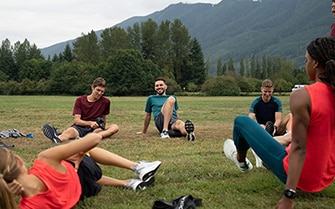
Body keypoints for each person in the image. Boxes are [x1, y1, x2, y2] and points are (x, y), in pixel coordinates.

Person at [223, 37, 335, 209]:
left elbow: (300, 148)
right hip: (326, 177)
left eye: (306, 61)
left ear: (315, 64)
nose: (305, 65)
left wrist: (288, 196)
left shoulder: (303, 95)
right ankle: (264, 156)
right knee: (284, 141)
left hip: (300, 176)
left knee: (241, 122)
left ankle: (241, 161)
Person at [1, 133, 161, 209]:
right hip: (84, 169)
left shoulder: (28, 205)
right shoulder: (44, 159)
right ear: (18, 161)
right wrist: (80, 153)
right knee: (82, 152)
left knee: (80, 173)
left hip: (83, 192)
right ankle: (137, 166)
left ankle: (128, 183)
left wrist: (16, 194)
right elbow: (94, 139)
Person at [42, 77, 119, 143]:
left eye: (102, 91)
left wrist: (101, 127)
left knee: (115, 127)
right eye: (98, 90)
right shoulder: (80, 100)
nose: (99, 93)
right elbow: (77, 120)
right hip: (80, 128)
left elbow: (104, 118)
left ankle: (86, 138)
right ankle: (57, 139)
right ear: (92, 87)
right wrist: (90, 123)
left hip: (95, 130)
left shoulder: (106, 102)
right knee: (68, 132)